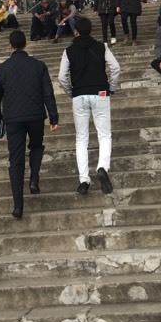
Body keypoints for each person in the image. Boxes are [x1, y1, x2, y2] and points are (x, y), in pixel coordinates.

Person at [0, 30, 59, 219]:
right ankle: (34, 177)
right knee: (36, 146)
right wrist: (53, 117)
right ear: (25, 44)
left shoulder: (2, 69)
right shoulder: (39, 66)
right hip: (36, 115)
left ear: (10, 46)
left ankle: (18, 205)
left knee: (16, 160)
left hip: (13, 119)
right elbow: (48, 93)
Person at [58, 17, 120, 195]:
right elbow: (115, 68)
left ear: (76, 31)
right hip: (100, 93)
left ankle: (84, 180)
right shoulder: (102, 47)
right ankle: (102, 167)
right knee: (104, 135)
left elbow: (62, 77)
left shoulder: (68, 51)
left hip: (79, 95)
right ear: (90, 30)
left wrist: (71, 93)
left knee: (81, 139)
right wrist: (111, 88)